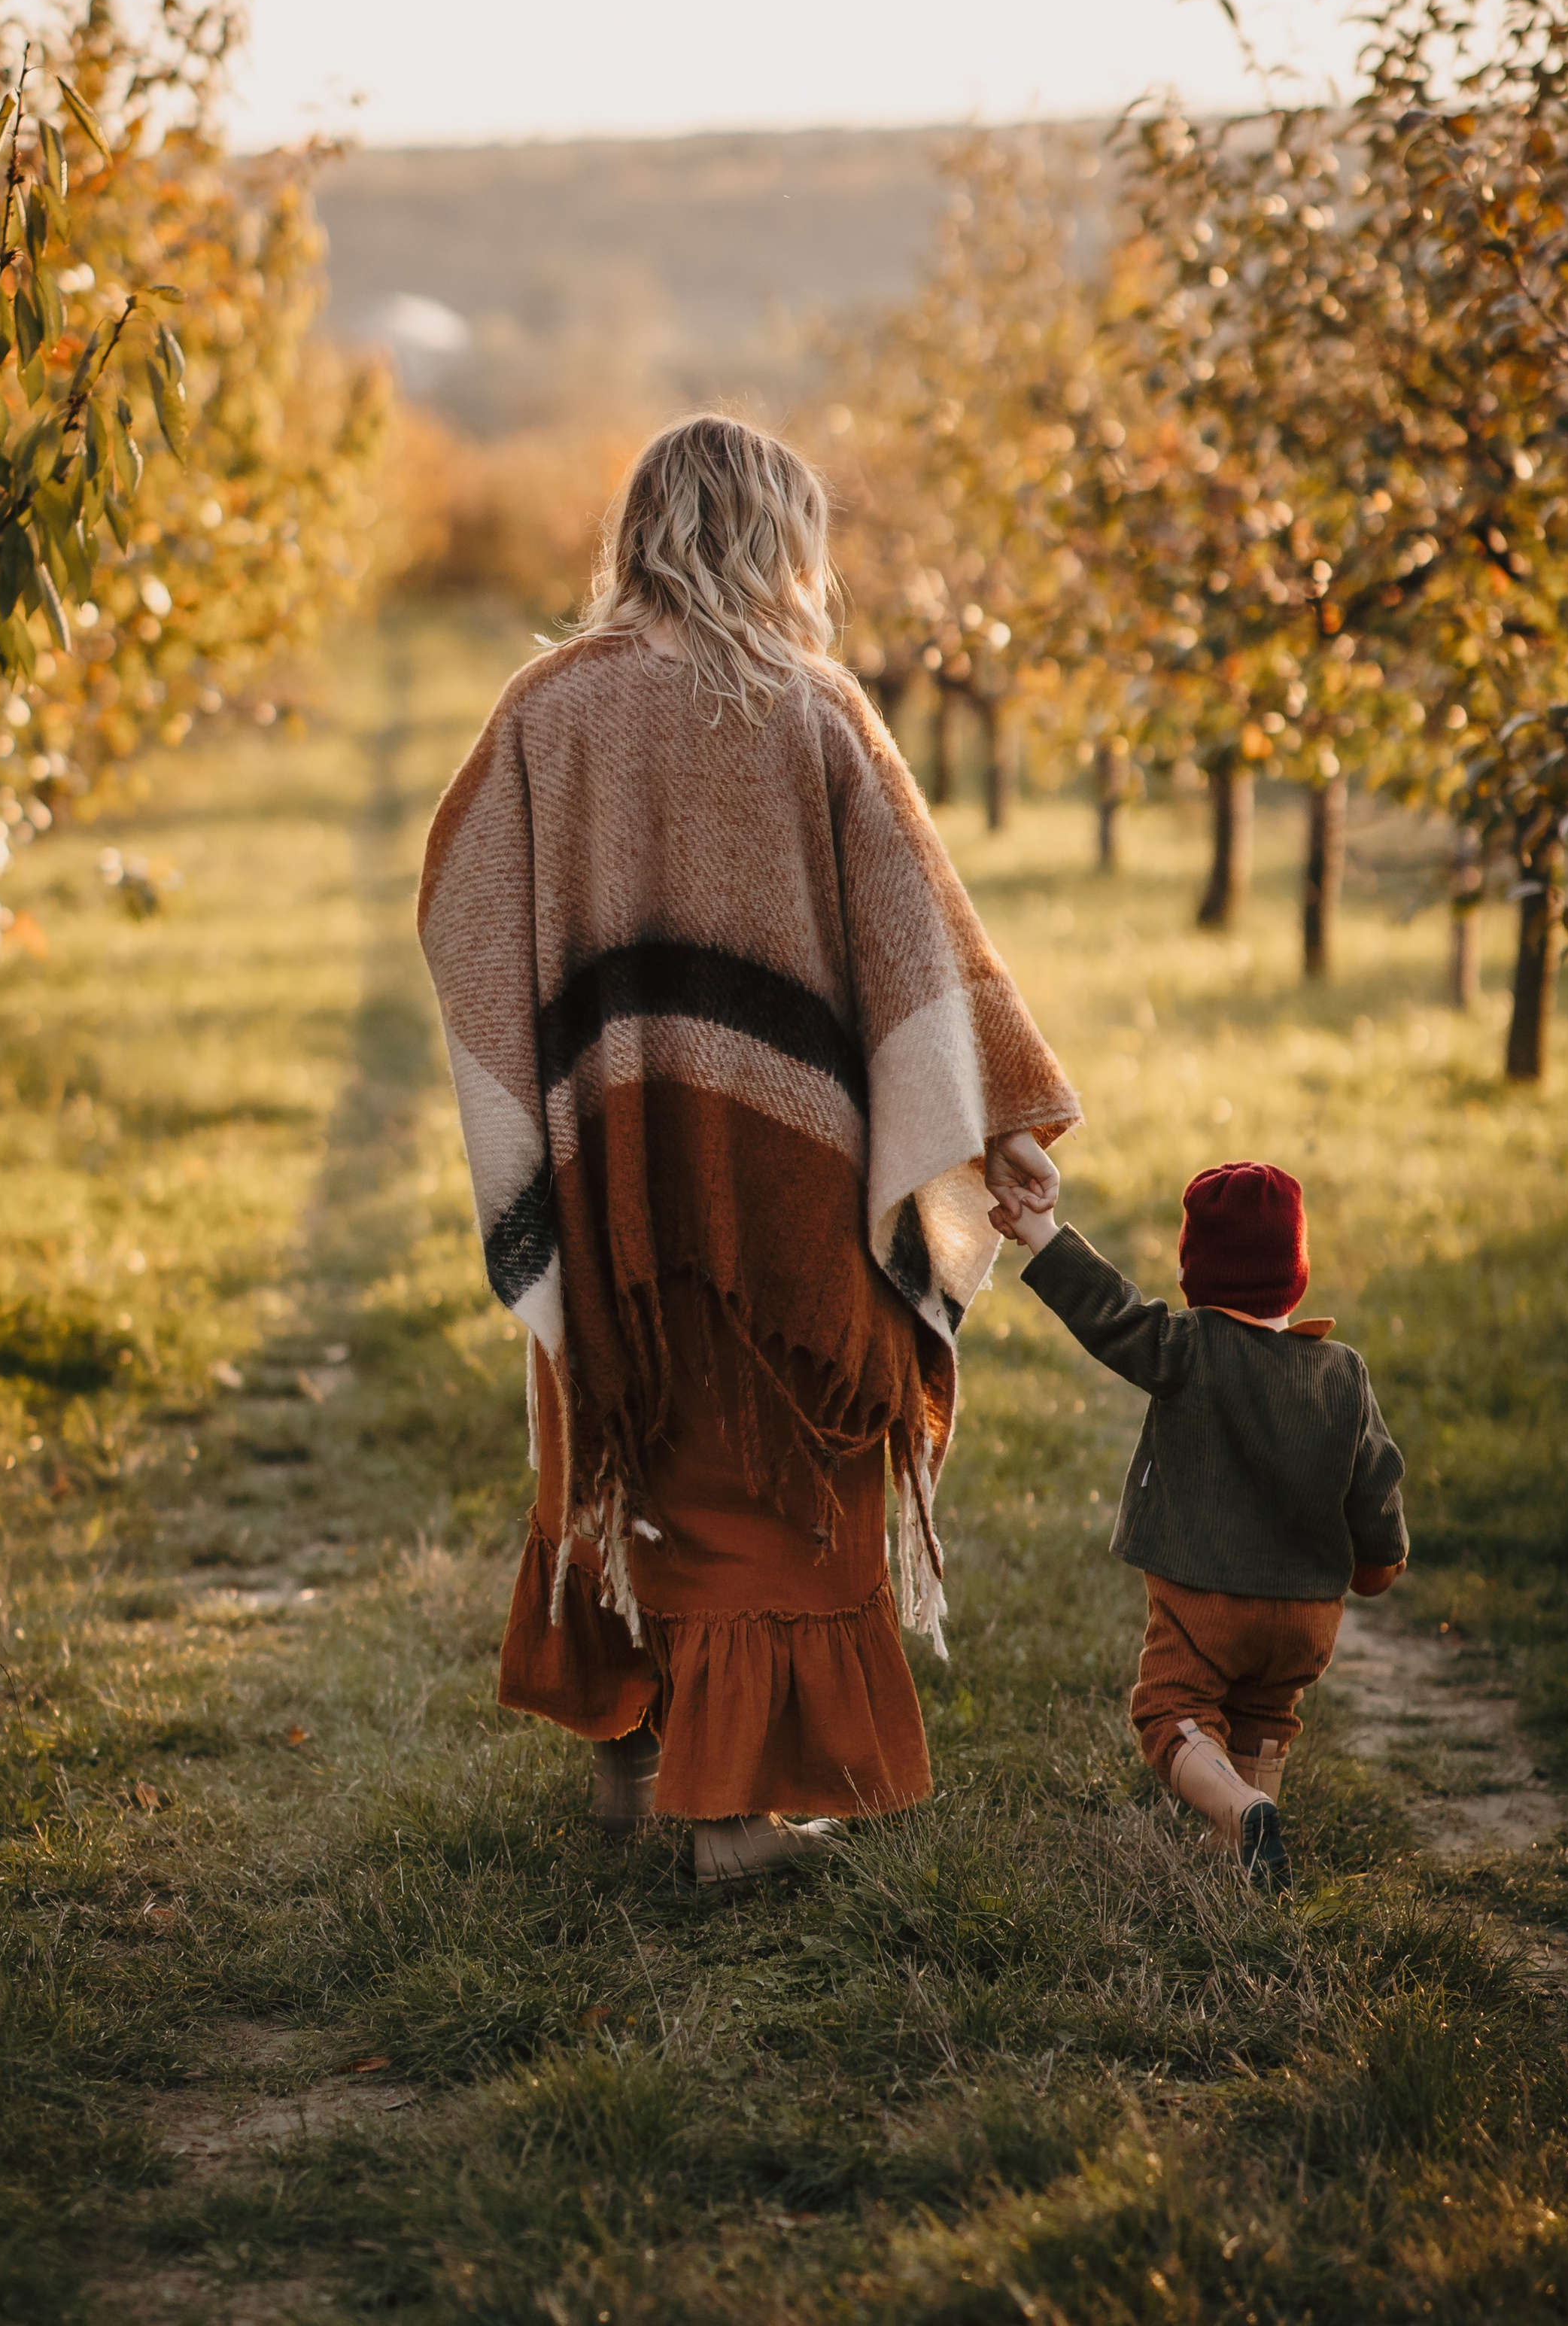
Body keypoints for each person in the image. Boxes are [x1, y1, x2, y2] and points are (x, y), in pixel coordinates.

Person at [418, 414, 1080, 1887]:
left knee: (619, 1428)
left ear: (640, 532)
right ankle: (730, 1825)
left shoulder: (543, 707)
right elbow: (920, 937)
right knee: (778, 1464)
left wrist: (562, 1058)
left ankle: (630, 1768)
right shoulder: (815, 708)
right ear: (782, 542)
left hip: (608, 1174)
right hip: (793, 1193)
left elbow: (457, 901)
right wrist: (999, 1125)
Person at [988, 1157, 1408, 1888]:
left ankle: (1239, 1808)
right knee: (1265, 1713)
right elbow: (1375, 1480)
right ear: (1296, 1276)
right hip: (1307, 1616)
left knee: (1170, 1708)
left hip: (1207, 1599)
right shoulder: (1344, 1373)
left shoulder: (1188, 1346)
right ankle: (1244, 1861)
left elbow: (1108, 1311)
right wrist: (1379, 1563)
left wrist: (1039, 1232)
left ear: (1191, 1276)